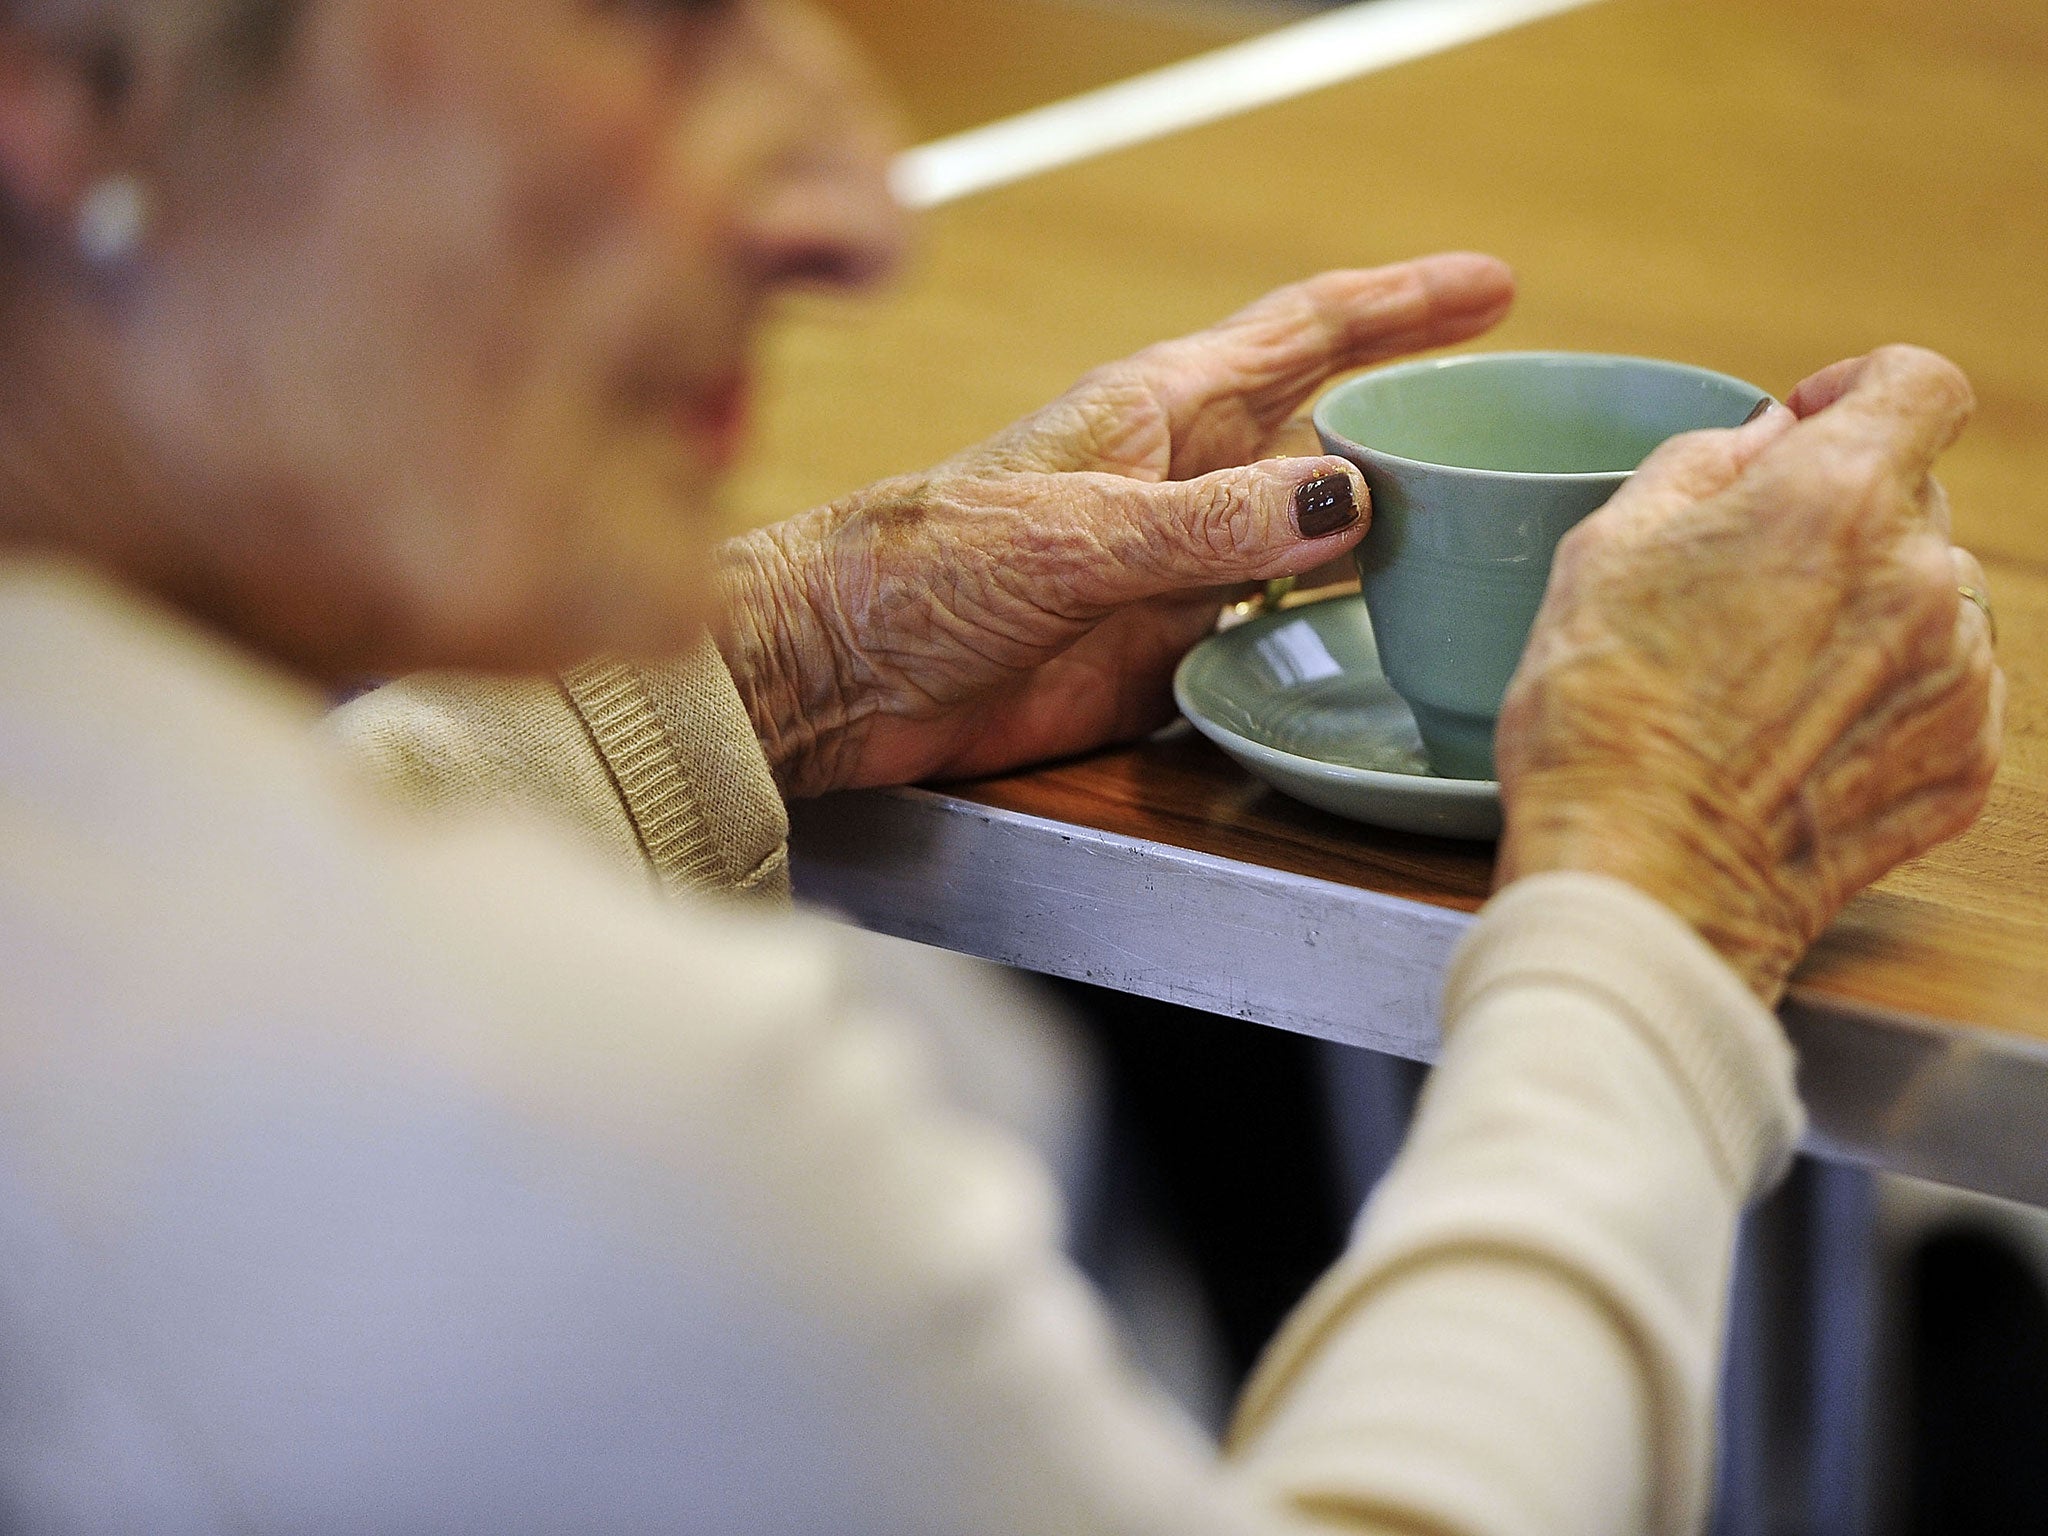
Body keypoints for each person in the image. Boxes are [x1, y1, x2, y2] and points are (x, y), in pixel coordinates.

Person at [0, 0, 2001, 1532]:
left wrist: (776, 668)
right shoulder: (528, 1106)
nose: (859, 207)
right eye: (655, 19)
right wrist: (1658, 899)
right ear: (58, 89)